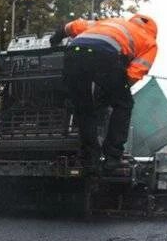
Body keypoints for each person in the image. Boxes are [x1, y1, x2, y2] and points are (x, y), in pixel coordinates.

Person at [50, 13, 158, 170]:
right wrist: (112, 93)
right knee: (124, 104)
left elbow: (74, 26)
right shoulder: (150, 42)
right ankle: (112, 157)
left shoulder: (110, 22)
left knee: (84, 107)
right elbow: (133, 74)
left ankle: (89, 158)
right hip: (106, 56)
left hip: (73, 53)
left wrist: (55, 38)